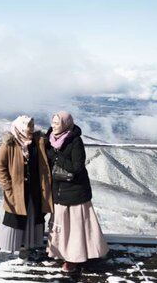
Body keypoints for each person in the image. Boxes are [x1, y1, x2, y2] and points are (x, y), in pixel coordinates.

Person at [46, 111, 108, 273]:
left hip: (74, 192)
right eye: (52, 122)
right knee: (61, 226)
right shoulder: (50, 139)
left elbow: (77, 167)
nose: (53, 125)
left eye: (56, 123)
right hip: (58, 190)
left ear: (66, 124)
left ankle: (73, 258)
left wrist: (57, 157)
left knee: (76, 227)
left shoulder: (75, 141)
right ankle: (62, 252)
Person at [0, 115, 53, 263]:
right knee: (12, 219)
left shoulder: (38, 142)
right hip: (16, 191)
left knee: (33, 216)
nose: (31, 129)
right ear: (21, 127)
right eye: (28, 126)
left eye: (32, 125)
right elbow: (0, 167)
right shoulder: (9, 143)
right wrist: (8, 187)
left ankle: (25, 246)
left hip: (36, 189)